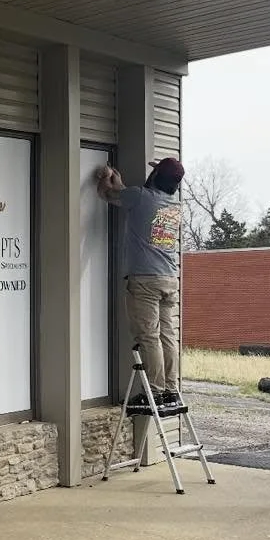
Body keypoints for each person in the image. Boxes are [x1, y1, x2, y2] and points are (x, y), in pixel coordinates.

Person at [96, 157, 184, 406]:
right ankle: (170, 389)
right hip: (169, 278)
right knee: (167, 335)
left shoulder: (141, 196)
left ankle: (153, 392)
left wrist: (105, 176)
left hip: (145, 280)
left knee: (149, 336)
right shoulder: (174, 206)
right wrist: (120, 184)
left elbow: (108, 194)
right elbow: (125, 194)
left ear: (156, 176)